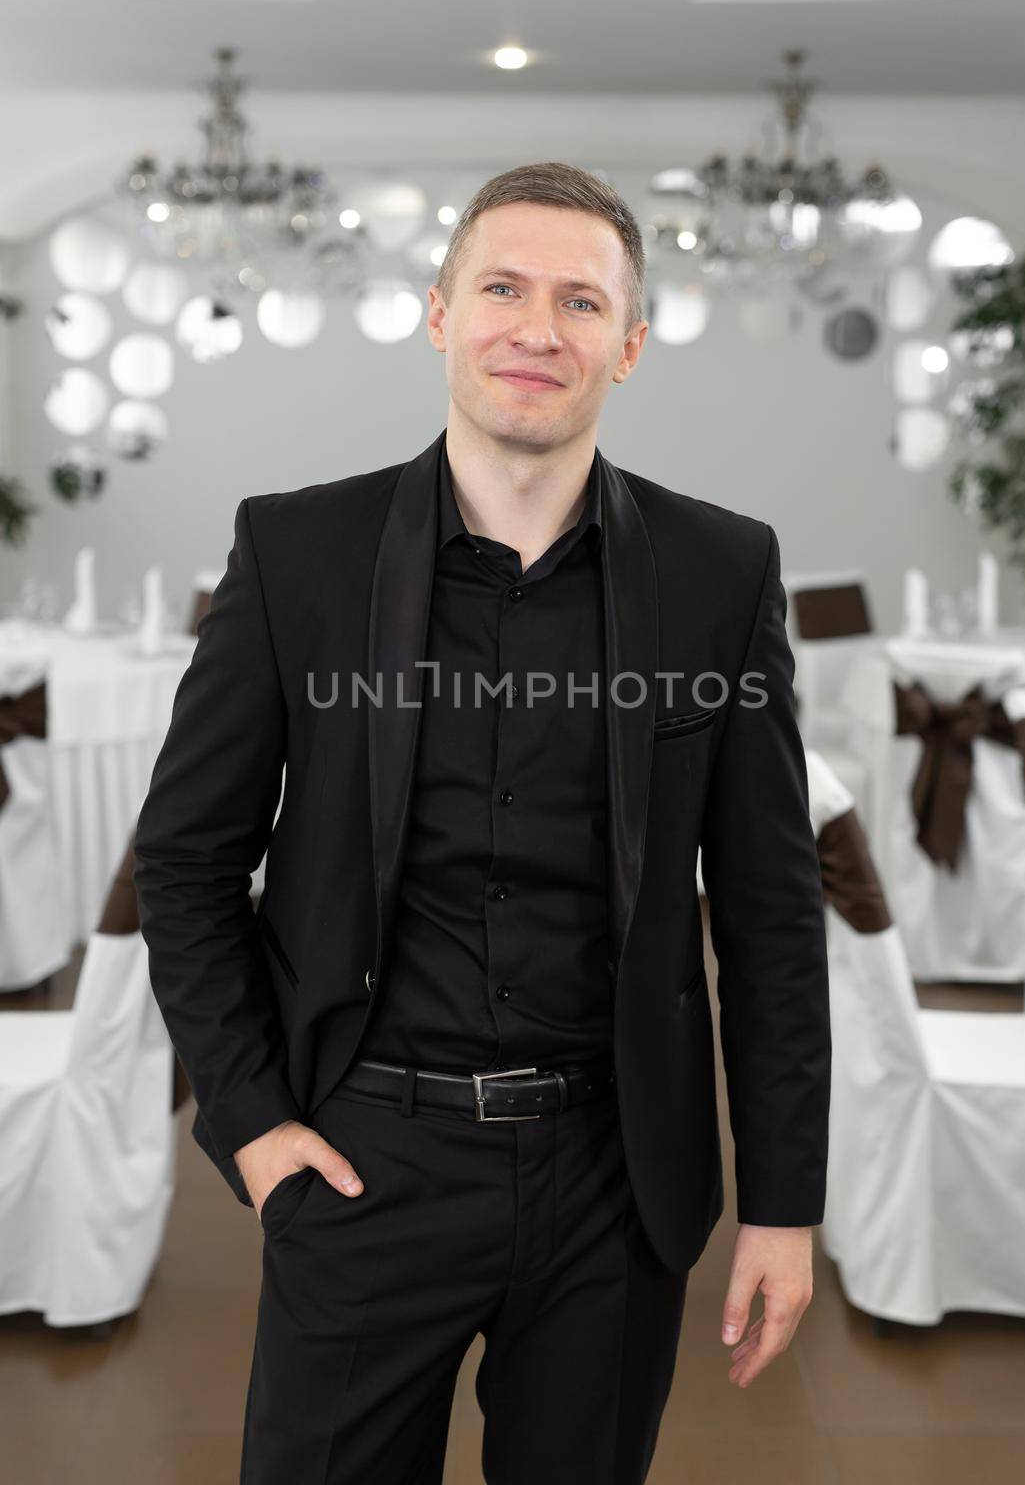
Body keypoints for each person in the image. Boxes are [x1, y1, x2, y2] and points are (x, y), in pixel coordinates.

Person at [133, 160, 831, 1484]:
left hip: (614, 1179)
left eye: (580, 302)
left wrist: (784, 1206)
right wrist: (255, 1126)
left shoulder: (720, 571)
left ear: (626, 347)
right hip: (360, 1156)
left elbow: (769, 911)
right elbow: (185, 859)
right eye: (502, 287)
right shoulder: (299, 553)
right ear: (439, 313)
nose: (537, 327)